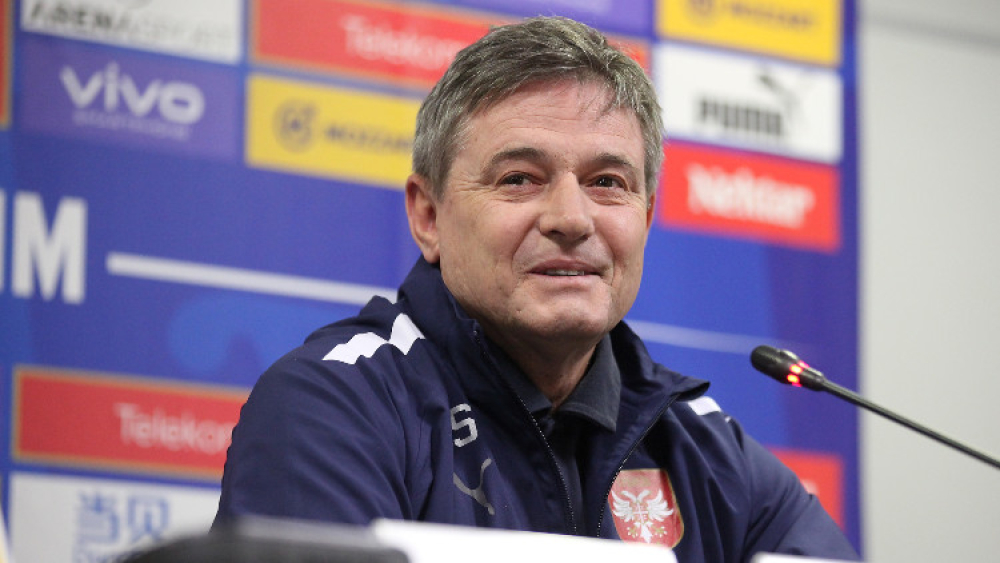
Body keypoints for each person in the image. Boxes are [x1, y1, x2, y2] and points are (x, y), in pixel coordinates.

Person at [215, 16, 859, 562]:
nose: (571, 219)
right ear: (429, 216)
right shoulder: (333, 407)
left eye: (607, 182)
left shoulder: (708, 452)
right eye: (520, 179)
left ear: (645, 218)